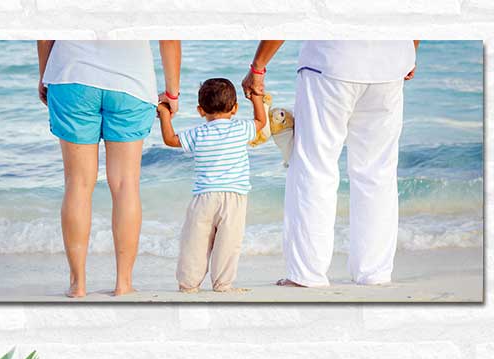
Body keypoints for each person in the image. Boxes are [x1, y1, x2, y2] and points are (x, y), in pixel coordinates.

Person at [242, 40, 417, 288]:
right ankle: (374, 273)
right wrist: (411, 50)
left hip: (331, 61)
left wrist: (258, 67)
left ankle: (307, 274)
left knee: (314, 167)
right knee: (377, 172)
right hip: (390, 65)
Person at [37, 40, 182, 298]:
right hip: (131, 82)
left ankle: (77, 284)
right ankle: (123, 283)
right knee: (126, 184)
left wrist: (45, 74)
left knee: (78, 183)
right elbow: (169, 37)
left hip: (72, 75)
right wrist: (172, 92)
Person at [156, 79, 268, 294]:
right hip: (234, 197)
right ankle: (223, 284)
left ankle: (188, 284)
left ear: (200, 110)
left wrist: (164, 113)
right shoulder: (242, 128)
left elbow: (170, 140)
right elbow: (261, 121)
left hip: (204, 197)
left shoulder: (197, 133)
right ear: (234, 108)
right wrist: (256, 97)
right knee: (229, 243)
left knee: (194, 242)